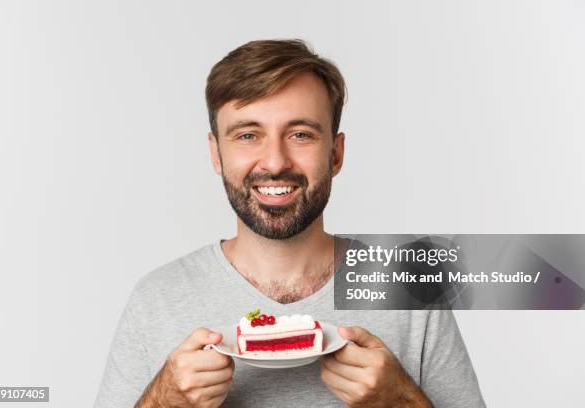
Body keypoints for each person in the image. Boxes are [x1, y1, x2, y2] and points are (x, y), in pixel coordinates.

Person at [94, 39, 486, 408]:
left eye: (300, 134)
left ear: (335, 153)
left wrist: (401, 402)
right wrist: (163, 401)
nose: (275, 161)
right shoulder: (157, 299)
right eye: (248, 135)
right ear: (216, 155)